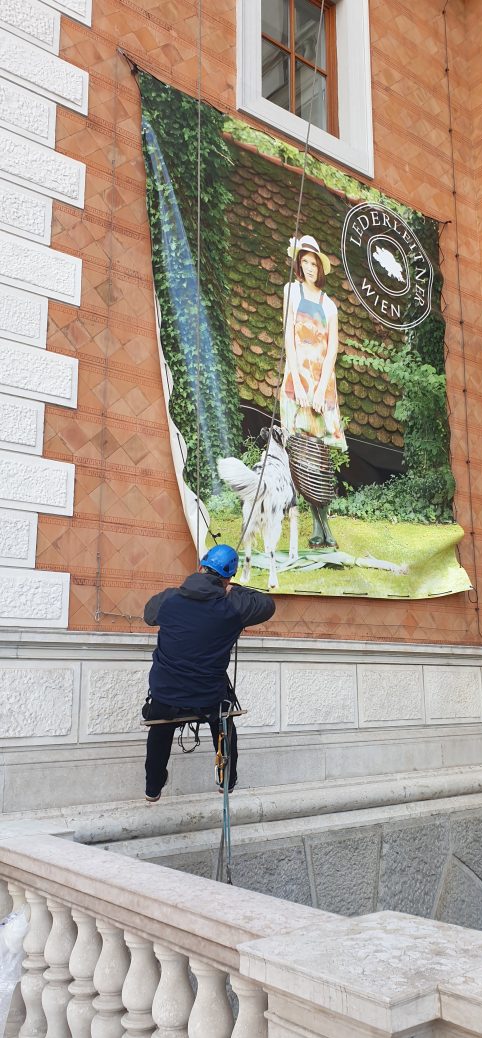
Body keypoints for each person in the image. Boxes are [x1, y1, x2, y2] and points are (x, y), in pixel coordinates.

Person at [143, 543, 275, 802]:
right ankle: (227, 779)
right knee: (224, 720)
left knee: (159, 727)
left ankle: (153, 787)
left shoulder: (169, 599)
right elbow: (266, 604)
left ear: (201, 567)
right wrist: (233, 591)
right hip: (207, 696)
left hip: (166, 694)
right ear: (227, 578)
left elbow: (149, 614)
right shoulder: (232, 606)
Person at [281, 234, 348, 548]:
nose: (309, 268)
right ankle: (317, 528)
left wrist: (320, 390)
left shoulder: (329, 305)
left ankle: (325, 528)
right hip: (297, 382)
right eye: (304, 262)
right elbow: (289, 339)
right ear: (299, 264)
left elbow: (332, 348)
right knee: (302, 454)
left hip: (323, 385)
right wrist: (299, 382)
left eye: (313, 263)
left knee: (320, 457)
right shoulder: (291, 292)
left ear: (320, 267)